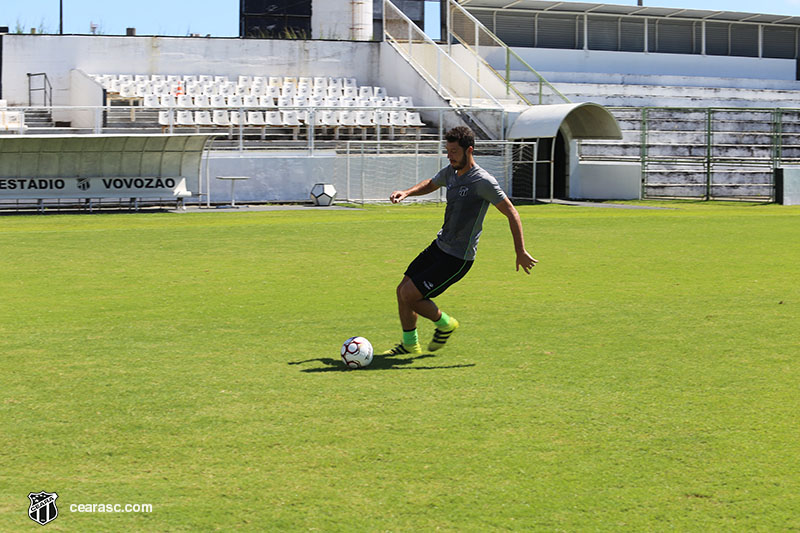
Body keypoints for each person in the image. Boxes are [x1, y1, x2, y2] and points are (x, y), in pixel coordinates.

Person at [383, 126, 538, 356]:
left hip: (457, 258)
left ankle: (445, 324)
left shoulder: (483, 181)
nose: (449, 155)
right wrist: (407, 192)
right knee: (401, 290)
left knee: (411, 295)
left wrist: (520, 250)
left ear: (469, 150)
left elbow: (512, 212)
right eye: (448, 150)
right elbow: (431, 183)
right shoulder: (451, 173)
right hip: (439, 246)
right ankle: (410, 344)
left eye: (454, 151)